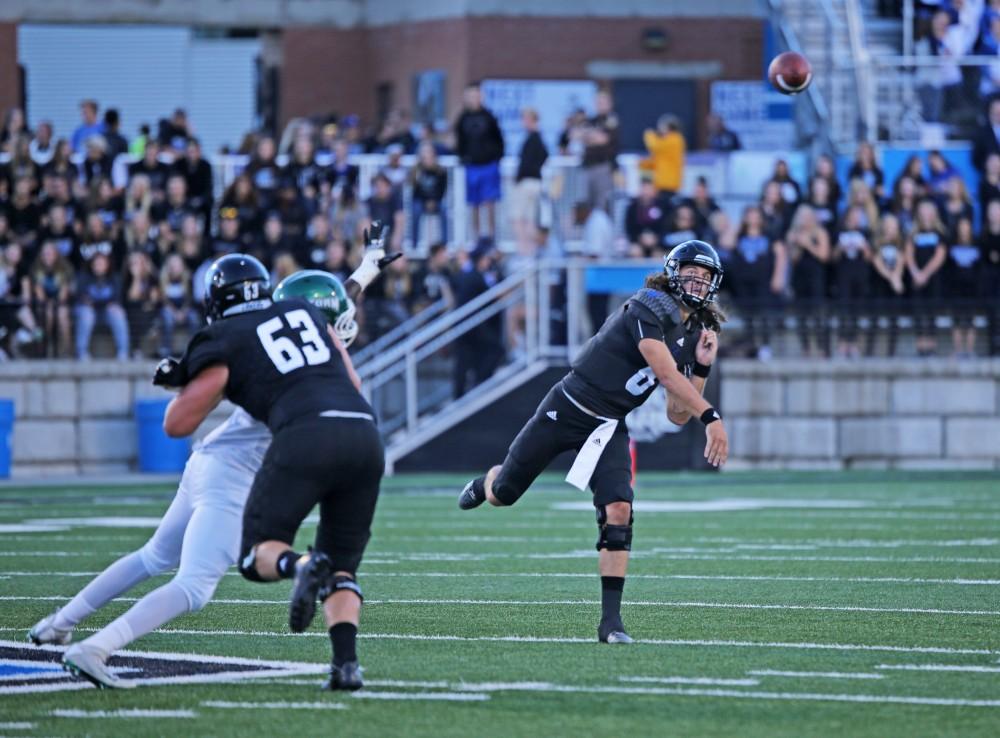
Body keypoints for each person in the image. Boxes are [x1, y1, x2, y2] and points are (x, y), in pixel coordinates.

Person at [33, 226, 398, 691]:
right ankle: (94, 648)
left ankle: (59, 622)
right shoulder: (320, 346)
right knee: (194, 586)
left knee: (152, 556)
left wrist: (364, 271)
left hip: (209, 459)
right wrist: (361, 276)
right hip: (235, 477)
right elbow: (331, 312)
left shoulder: (267, 329)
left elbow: (326, 302)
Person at [457, 240, 729, 644]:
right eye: (692, 272)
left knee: (619, 508)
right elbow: (665, 373)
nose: (698, 281)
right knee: (505, 493)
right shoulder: (648, 306)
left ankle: (610, 622)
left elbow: (675, 412)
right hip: (567, 407)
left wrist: (702, 367)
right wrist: (711, 417)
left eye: (705, 276)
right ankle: (486, 484)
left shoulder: (694, 332)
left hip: (608, 425)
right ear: (673, 273)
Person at [452, 238, 504, 397]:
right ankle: (477, 387)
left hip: (471, 326)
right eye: (487, 259)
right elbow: (495, 295)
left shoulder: (475, 275)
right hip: (470, 326)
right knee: (494, 350)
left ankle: (467, 392)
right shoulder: (474, 276)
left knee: (468, 361)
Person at [454, 82, 504, 238]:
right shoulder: (462, 119)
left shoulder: (489, 117)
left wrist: (496, 157)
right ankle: (477, 238)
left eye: (476, 95)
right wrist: (462, 157)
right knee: (474, 203)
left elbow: (499, 139)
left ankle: (491, 237)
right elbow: (459, 141)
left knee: (490, 202)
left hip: (489, 165)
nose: (474, 99)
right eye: (471, 96)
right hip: (472, 166)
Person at [785, 204, 831, 357]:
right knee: (801, 315)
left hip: (816, 277)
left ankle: (822, 348)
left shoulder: (820, 232)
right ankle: (806, 347)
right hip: (799, 278)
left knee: (819, 314)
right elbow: (793, 259)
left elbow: (824, 256)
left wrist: (808, 244)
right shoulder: (793, 234)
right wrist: (796, 244)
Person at [906, 198, 949, 356]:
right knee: (918, 312)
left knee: (932, 312)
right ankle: (920, 347)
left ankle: (931, 346)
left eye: (928, 210)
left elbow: (940, 255)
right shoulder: (913, 233)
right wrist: (915, 273)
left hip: (933, 278)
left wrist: (925, 273)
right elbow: (909, 254)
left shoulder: (940, 233)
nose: (925, 213)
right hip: (916, 278)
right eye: (922, 210)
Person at [832, 205, 873, 358]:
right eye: (854, 215)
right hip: (843, 276)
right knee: (844, 310)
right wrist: (840, 248)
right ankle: (842, 345)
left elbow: (870, 258)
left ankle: (854, 344)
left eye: (859, 215)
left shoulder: (866, 233)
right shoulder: (839, 232)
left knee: (856, 311)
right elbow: (833, 257)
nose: (856, 218)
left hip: (860, 276)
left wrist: (864, 247)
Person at [74, 252, 130, 360]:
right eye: (96, 263)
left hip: (106, 314)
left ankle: (123, 352)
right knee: (86, 313)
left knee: (117, 312)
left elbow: (117, 299)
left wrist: (97, 302)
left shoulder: (115, 278)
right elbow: (82, 298)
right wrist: (102, 303)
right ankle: (81, 353)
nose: (98, 266)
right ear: (92, 264)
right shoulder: (83, 277)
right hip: (89, 313)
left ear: (107, 264)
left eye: (101, 263)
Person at [512, 108, 548, 256]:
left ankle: (525, 252)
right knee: (529, 219)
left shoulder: (534, 139)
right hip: (534, 182)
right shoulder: (536, 138)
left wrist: (521, 176)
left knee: (519, 219)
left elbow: (534, 160)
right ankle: (530, 252)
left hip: (528, 182)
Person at [947, 215, 981, 357]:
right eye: (961, 226)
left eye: (966, 226)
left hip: (972, 289)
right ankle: (958, 351)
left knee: (971, 320)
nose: (964, 229)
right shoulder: (952, 246)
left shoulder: (977, 245)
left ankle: (970, 350)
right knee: (957, 321)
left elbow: (980, 268)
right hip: (956, 289)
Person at [582, 91, 620, 214]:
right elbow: (579, 135)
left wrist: (591, 137)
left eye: (603, 102)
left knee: (603, 203)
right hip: (588, 166)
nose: (600, 105)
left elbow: (604, 139)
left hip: (603, 167)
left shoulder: (612, 120)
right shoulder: (591, 120)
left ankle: (602, 232)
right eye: (598, 102)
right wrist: (593, 137)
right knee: (587, 203)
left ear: (609, 104)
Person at [409, 141, 449, 250]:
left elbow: (442, 190)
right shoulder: (416, 171)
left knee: (445, 210)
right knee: (415, 211)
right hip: (421, 201)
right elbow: (415, 192)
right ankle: (414, 243)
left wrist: (433, 201)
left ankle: (445, 243)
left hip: (436, 201)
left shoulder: (441, 172)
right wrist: (426, 201)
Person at [642, 114, 685, 199]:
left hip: (669, 184)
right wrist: (643, 163)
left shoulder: (675, 139)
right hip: (661, 184)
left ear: (668, 127)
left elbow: (653, 146)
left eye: (661, 126)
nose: (659, 129)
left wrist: (649, 135)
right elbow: (658, 160)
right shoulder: (666, 141)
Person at [624, 178, 668, 257]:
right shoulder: (632, 207)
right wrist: (639, 238)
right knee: (635, 251)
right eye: (644, 189)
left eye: (648, 189)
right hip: (638, 241)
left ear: (654, 191)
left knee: (658, 254)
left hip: (658, 243)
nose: (646, 192)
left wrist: (657, 239)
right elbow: (629, 228)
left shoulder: (663, 206)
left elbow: (666, 226)